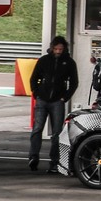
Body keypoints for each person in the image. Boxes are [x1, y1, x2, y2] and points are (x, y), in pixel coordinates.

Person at [27, 36, 79, 171]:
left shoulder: (69, 63)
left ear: (65, 49)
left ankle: (54, 162)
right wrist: (36, 93)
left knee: (57, 132)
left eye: (60, 49)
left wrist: (64, 98)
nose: (58, 51)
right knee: (37, 129)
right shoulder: (44, 60)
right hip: (42, 99)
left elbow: (74, 83)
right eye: (56, 49)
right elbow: (34, 78)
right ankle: (33, 157)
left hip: (57, 101)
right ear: (52, 48)